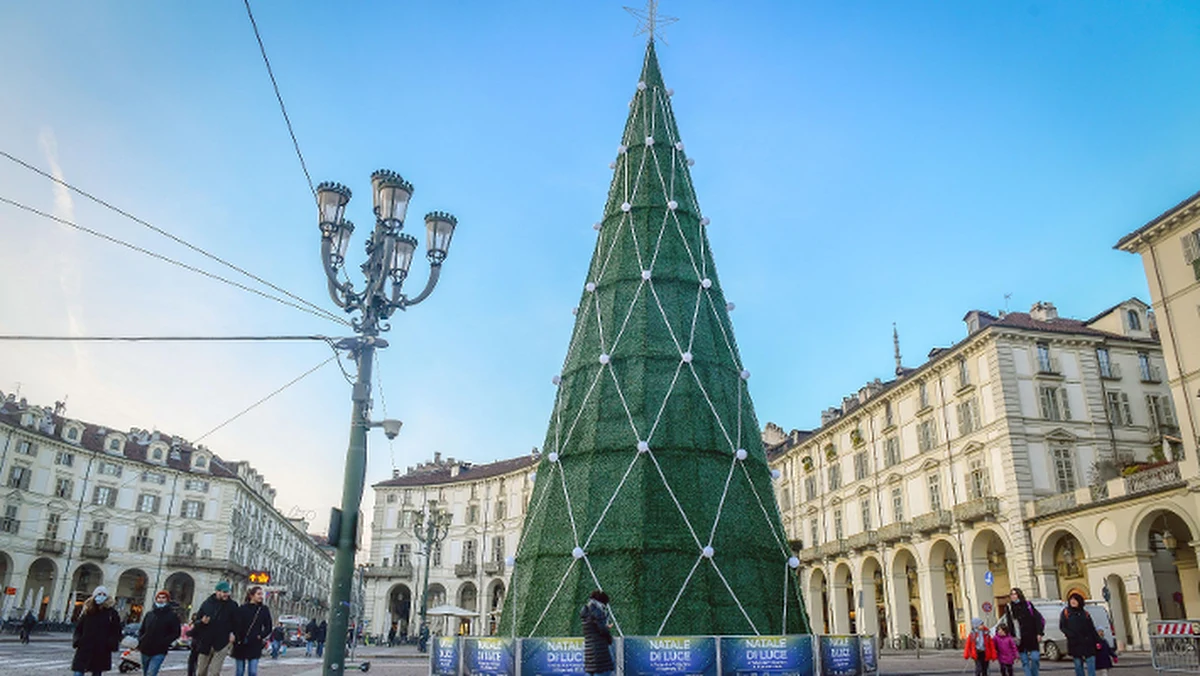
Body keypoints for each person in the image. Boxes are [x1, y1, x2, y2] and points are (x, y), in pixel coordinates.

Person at [71, 585, 122, 676]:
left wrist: (110, 643)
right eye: (99, 594)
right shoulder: (88, 611)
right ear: (94, 596)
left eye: (103, 594)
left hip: (101, 649)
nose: (101, 596)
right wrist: (77, 640)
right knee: (78, 671)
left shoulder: (111, 613)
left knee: (97, 672)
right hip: (84, 647)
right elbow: (79, 628)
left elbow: (116, 631)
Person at [194, 580, 239, 676]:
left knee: (215, 672)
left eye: (227, 592)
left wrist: (233, 633)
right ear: (217, 591)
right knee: (200, 671)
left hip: (222, 642)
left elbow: (236, 622)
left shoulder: (232, 605)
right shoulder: (207, 603)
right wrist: (202, 622)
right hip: (205, 642)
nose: (226, 594)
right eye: (224, 592)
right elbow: (197, 621)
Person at [137, 590, 182, 676]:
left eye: (163, 598)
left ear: (167, 600)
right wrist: (141, 640)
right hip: (145, 648)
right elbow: (142, 629)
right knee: (146, 672)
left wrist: (164, 642)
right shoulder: (150, 614)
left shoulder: (172, 616)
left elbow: (176, 632)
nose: (161, 600)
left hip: (159, 650)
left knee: (151, 673)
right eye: (159, 597)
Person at [231, 586, 273, 676]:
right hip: (241, 643)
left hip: (255, 643)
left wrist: (261, 635)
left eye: (262, 594)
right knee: (239, 671)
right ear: (251, 596)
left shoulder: (263, 610)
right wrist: (235, 636)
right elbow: (235, 625)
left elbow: (268, 626)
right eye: (258, 594)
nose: (261, 596)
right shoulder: (242, 609)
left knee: (252, 672)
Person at [1005, 588, 1045, 676]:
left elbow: (1037, 619)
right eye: (1011, 594)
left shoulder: (1028, 605)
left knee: (1035, 658)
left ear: (1019, 594)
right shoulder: (1009, 607)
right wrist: (1012, 636)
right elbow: (1009, 623)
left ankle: (1034, 674)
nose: (1013, 596)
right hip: (1019, 638)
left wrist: (1039, 633)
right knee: (1025, 662)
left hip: (1031, 636)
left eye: (1015, 594)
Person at [1060, 593, 1100, 676]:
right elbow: (1062, 626)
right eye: (1071, 600)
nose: (1073, 602)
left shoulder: (1085, 613)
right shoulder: (1066, 612)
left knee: (1091, 661)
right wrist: (1070, 635)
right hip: (1075, 642)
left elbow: (1091, 628)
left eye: (1075, 600)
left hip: (1088, 642)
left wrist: (1098, 641)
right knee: (1078, 664)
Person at [581, 590, 614, 676]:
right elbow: (602, 630)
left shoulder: (586, 612)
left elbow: (593, 629)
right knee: (604, 672)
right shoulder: (598, 612)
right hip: (600, 654)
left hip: (589, 654)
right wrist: (609, 638)